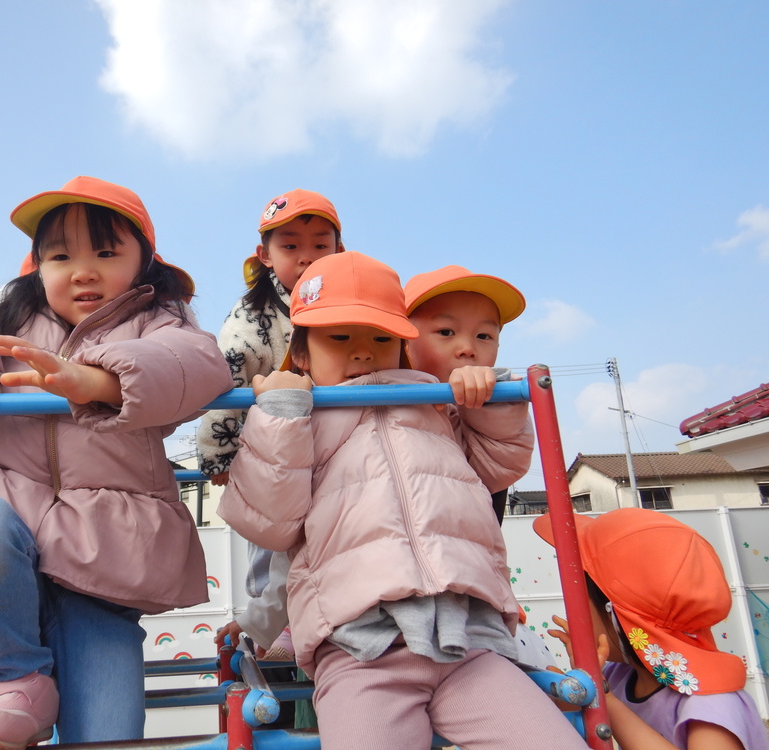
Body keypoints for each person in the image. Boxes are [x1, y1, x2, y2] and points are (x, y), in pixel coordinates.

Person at [0, 176, 233, 750]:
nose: (83, 271)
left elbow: (196, 364)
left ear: (144, 262)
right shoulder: (4, 319)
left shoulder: (160, 320)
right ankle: (15, 679)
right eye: (61, 257)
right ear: (37, 267)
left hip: (102, 555)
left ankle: (31, 694)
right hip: (5, 524)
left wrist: (93, 379)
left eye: (105, 253)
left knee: (108, 734)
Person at [218, 251, 586, 749]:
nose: (363, 353)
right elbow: (271, 523)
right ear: (300, 353)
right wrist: (278, 417)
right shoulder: (300, 420)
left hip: (468, 640)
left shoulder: (433, 405)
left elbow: (499, 465)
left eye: (381, 338)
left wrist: (484, 399)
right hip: (359, 646)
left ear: (403, 346)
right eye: (339, 337)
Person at [203, 188, 342, 674]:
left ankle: (311, 619)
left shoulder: (348, 301)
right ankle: (272, 623)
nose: (306, 257)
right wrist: (218, 452)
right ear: (264, 255)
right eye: (290, 246)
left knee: (324, 537)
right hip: (272, 446)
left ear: (339, 251)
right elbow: (227, 377)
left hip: (332, 442)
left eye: (320, 245)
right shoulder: (253, 314)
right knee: (272, 537)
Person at [404, 264, 557, 672]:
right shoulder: (373, 401)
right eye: (446, 332)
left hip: (467, 592)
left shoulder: (480, 411)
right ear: (402, 339)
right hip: (390, 590)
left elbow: (501, 464)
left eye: (484, 336)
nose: (468, 348)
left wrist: (487, 405)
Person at [535, 508, 769, 750]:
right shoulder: (620, 675)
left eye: (579, 602)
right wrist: (569, 688)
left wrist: (603, 696)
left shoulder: (713, 703)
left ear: (616, 615)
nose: (571, 614)